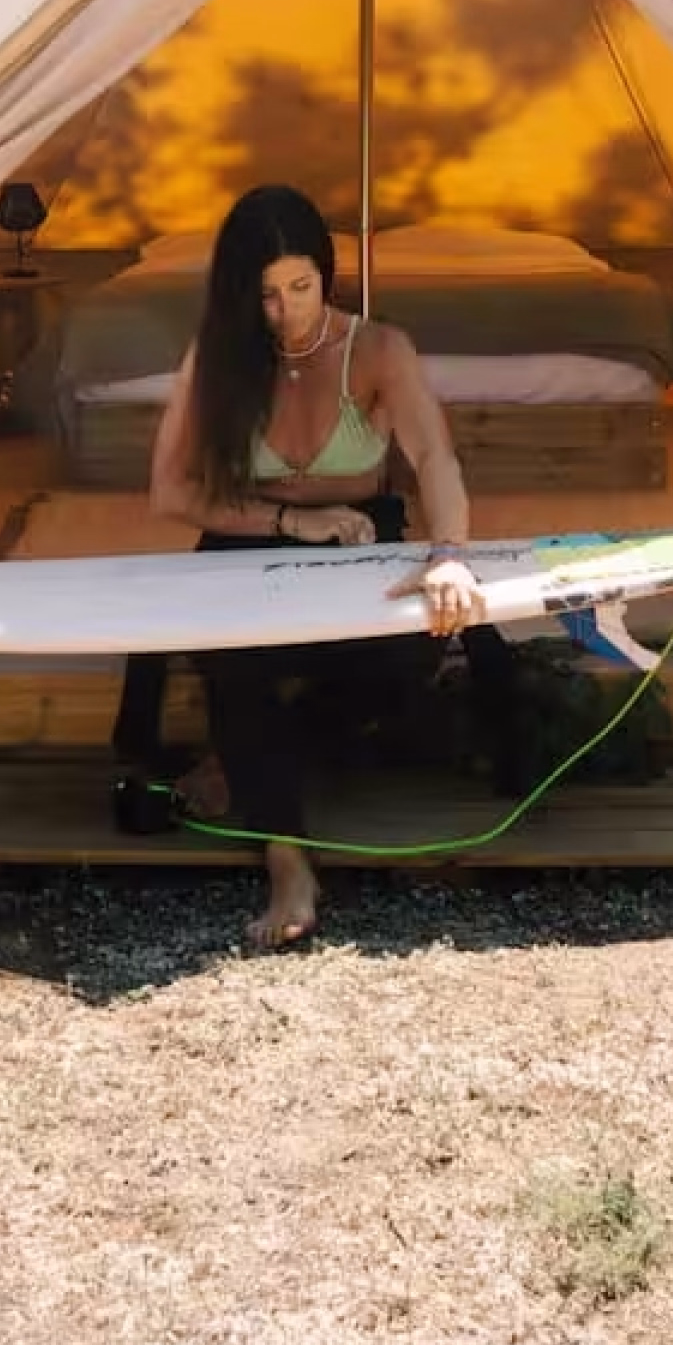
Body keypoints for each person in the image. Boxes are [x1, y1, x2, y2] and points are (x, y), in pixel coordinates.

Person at [147, 184, 493, 950]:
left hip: (362, 538)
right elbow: (170, 491)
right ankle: (285, 860)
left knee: (415, 649)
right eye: (266, 294)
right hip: (247, 539)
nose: (288, 310)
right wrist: (287, 520)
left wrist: (450, 558)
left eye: (301, 287)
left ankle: (241, 760)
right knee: (239, 666)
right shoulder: (219, 355)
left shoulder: (378, 349)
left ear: (326, 276)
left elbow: (433, 455)